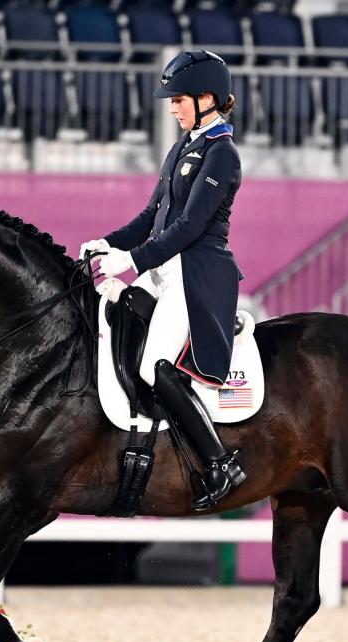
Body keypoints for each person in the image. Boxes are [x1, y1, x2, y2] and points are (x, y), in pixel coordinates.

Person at [81, 50, 246, 511]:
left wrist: (130, 262)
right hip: (163, 269)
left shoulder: (222, 155)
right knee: (109, 315)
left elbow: (189, 227)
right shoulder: (183, 147)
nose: (172, 107)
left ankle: (219, 463)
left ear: (207, 98)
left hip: (195, 275)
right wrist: (107, 244)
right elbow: (152, 215)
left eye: (178, 99)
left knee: (157, 364)